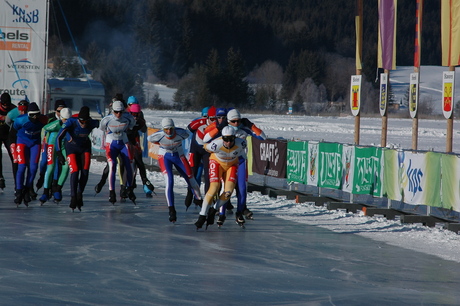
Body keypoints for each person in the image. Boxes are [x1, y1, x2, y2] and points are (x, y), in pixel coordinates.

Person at [203, 109, 266, 223]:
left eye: (238, 121)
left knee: (242, 188)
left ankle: (239, 212)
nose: (236, 124)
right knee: (225, 188)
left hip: (240, 160)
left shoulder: (244, 128)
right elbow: (206, 139)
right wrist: (218, 127)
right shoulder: (224, 130)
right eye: (233, 121)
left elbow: (262, 137)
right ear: (228, 121)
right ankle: (221, 213)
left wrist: (252, 126)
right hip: (225, 161)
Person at [148, 118, 202, 223]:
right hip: (165, 157)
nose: (169, 132)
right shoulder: (158, 136)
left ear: (174, 128)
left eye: (171, 129)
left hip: (179, 155)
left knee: (191, 177)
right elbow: (150, 139)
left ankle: (199, 200)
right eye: (166, 129)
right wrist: (162, 145)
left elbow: (188, 133)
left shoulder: (182, 133)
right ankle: (171, 210)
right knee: (170, 181)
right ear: (163, 129)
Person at [195, 126, 247, 229]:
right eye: (225, 139)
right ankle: (202, 215)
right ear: (222, 138)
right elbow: (204, 145)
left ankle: (213, 210)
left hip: (231, 165)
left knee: (228, 192)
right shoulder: (215, 145)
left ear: (234, 138)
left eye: (231, 139)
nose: (228, 142)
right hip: (217, 163)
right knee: (214, 187)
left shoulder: (241, 143)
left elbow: (243, 155)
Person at [56, 106, 99, 211]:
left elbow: (106, 124)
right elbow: (59, 137)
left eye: (85, 122)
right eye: (81, 121)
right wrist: (59, 153)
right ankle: (73, 197)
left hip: (85, 149)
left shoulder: (93, 123)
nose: (83, 124)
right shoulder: (71, 122)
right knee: (74, 171)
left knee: (84, 172)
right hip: (71, 148)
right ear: (78, 119)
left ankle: (80, 194)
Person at [99, 101, 136, 204]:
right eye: (116, 112)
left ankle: (129, 188)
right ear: (112, 111)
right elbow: (102, 129)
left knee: (129, 166)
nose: (119, 114)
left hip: (123, 142)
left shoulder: (128, 118)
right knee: (112, 165)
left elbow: (132, 126)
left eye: (121, 112)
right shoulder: (106, 120)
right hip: (111, 144)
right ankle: (112, 192)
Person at [13, 102, 48, 206]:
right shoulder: (20, 119)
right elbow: (14, 129)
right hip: (22, 142)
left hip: (35, 144)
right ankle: (19, 191)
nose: (35, 117)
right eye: (32, 115)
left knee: (33, 168)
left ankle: (27, 190)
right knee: (22, 166)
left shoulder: (43, 119)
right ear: (28, 114)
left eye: (37, 114)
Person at [184, 106, 216, 209]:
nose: (213, 121)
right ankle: (190, 193)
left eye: (216, 118)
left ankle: (208, 200)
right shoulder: (200, 122)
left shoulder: (218, 125)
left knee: (208, 176)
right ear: (207, 117)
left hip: (208, 151)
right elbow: (189, 128)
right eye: (211, 118)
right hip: (195, 150)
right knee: (192, 172)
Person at [39, 108, 72, 205]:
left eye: (68, 120)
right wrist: (44, 141)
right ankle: (45, 192)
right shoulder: (56, 124)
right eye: (64, 119)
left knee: (66, 168)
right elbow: (44, 128)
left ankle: (57, 189)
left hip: (63, 147)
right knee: (51, 167)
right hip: (52, 145)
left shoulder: (71, 124)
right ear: (61, 118)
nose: (66, 122)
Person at [36, 99, 67, 191]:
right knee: (44, 162)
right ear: (55, 110)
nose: (60, 113)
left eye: (62, 111)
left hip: (60, 145)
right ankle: (42, 177)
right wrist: (43, 140)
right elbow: (43, 129)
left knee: (57, 165)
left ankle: (54, 185)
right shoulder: (49, 118)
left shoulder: (67, 119)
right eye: (58, 111)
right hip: (48, 143)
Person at [126, 103, 155, 197]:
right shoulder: (124, 115)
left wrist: (141, 121)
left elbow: (143, 129)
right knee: (127, 164)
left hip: (135, 139)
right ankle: (127, 186)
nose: (135, 116)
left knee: (139, 162)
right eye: (133, 114)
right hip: (125, 141)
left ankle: (145, 184)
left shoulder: (139, 116)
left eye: (137, 114)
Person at [5, 99, 28, 190]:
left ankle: (27, 186)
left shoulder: (29, 114)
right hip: (13, 138)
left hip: (24, 139)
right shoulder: (12, 113)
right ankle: (17, 185)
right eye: (21, 110)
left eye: (24, 110)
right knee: (16, 161)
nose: (23, 112)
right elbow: (8, 122)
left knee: (25, 162)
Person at [0, 93, 17, 189]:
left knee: (14, 157)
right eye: (4, 105)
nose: (6, 107)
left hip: (8, 135)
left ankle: (17, 181)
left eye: (7, 105)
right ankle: (0, 177)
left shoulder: (14, 109)